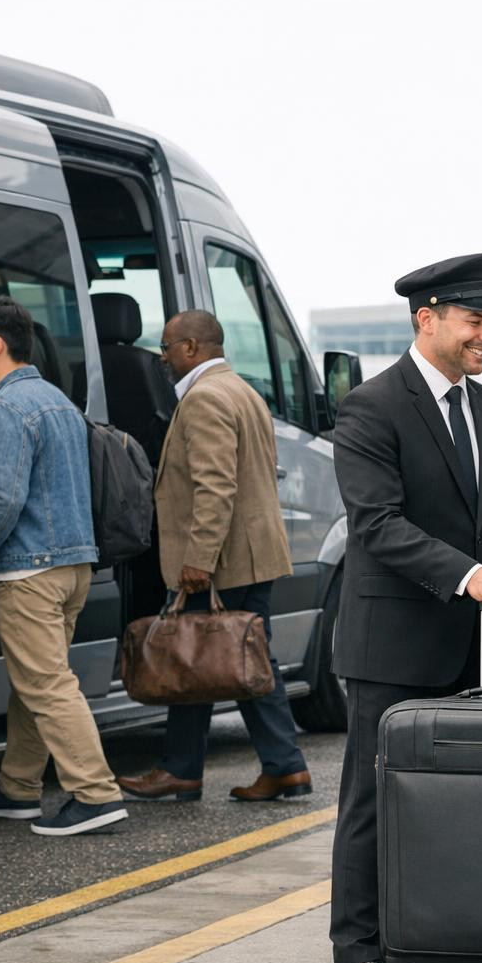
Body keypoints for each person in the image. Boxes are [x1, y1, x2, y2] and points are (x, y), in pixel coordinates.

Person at [327, 253, 482, 963]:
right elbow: (378, 525)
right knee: (373, 803)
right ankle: (356, 954)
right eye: (476, 321)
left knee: (452, 806)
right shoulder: (372, 406)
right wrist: (470, 575)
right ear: (426, 318)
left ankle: (428, 937)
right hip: (394, 646)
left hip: (474, 645)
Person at [116, 310, 310, 803]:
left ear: (191, 348)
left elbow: (215, 486)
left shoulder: (204, 399)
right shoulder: (240, 390)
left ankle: (196, 768)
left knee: (222, 659)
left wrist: (198, 558)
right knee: (209, 658)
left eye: (166, 347)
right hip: (249, 554)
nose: (161, 357)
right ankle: (269, 766)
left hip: (223, 563)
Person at [0, 295, 129, 837]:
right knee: (38, 679)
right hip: (73, 563)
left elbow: (2, 498)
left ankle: (96, 794)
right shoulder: (57, 399)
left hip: (28, 568)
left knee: (46, 683)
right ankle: (17, 787)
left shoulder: (4, 409)